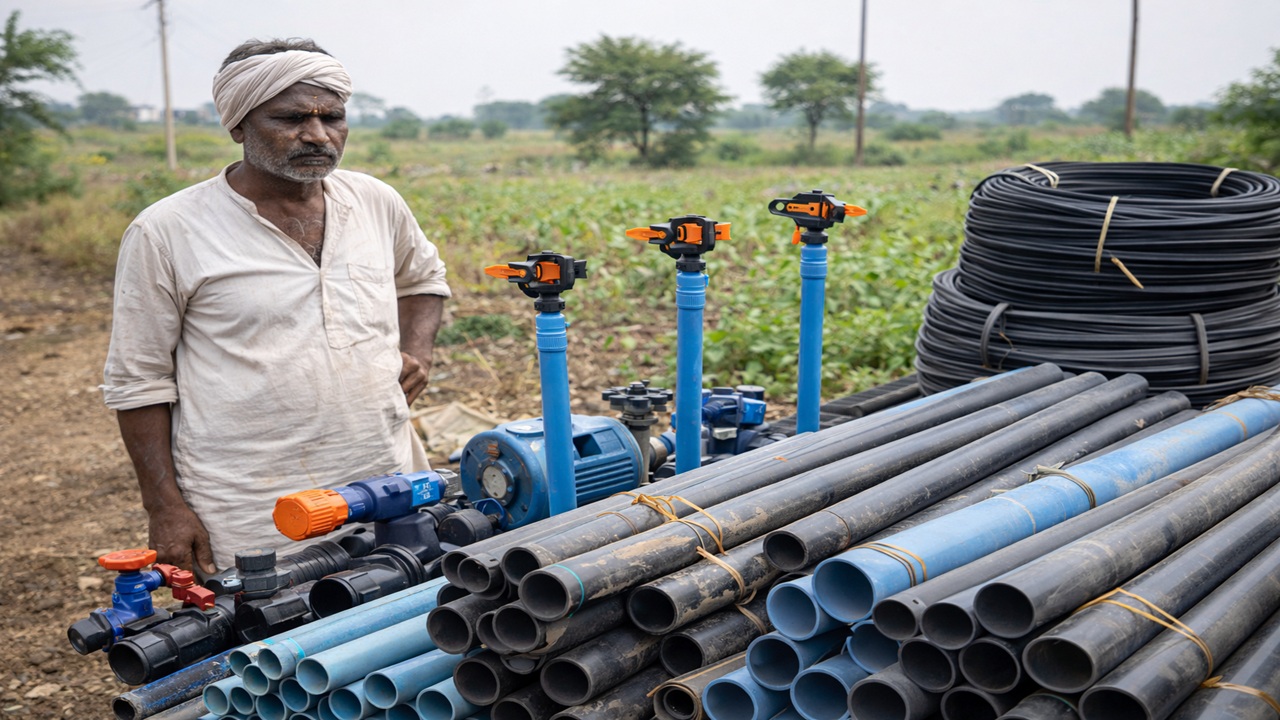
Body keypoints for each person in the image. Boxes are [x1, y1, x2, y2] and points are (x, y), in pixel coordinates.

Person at [101, 38, 450, 573]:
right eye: (290, 118)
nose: (316, 135)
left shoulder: (375, 201)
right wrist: (165, 507)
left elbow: (424, 277)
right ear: (238, 125)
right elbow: (137, 380)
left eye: (332, 117)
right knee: (269, 640)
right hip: (251, 504)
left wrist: (416, 350)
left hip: (383, 476)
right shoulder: (167, 230)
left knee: (396, 624)